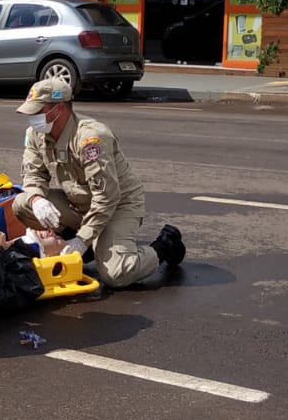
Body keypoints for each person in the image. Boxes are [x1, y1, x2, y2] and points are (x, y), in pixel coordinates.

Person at [11, 76, 184, 288]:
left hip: (117, 206)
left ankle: (165, 245)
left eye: (38, 111)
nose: (32, 118)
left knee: (116, 274)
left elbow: (107, 197)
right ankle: (89, 247)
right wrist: (37, 199)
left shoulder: (91, 138)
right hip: (80, 204)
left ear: (59, 109)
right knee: (22, 204)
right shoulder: (35, 134)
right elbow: (33, 174)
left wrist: (82, 239)